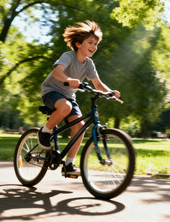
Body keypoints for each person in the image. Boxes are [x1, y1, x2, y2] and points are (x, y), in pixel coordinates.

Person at [38, 20, 120, 176]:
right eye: (90, 42)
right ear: (78, 44)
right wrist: (68, 79)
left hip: (68, 96)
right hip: (51, 91)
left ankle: (68, 164)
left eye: (96, 44)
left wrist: (111, 92)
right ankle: (45, 131)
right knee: (66, 107)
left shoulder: (89, 64)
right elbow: (57, 72)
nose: (94, 47)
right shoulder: (68, 56)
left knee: (80, 126)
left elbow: (97, 84)